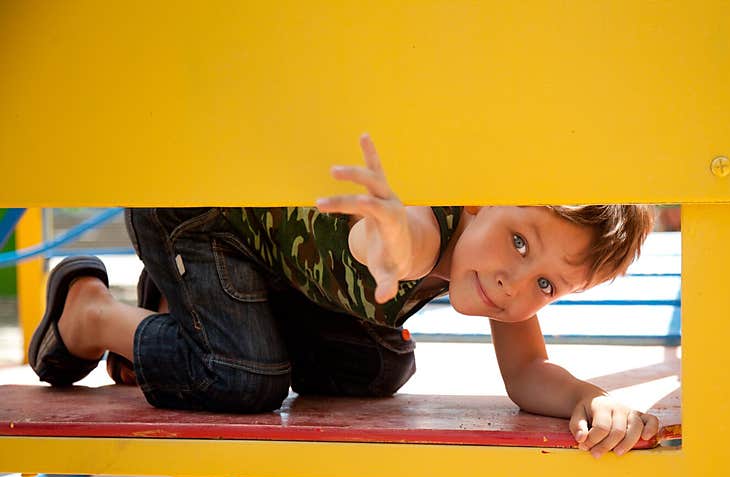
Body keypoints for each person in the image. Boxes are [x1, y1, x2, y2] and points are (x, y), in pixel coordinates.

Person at [28, 134, 659, 458]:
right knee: (246, 378)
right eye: (519, 243)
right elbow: (396, 243)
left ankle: (182, 311)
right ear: (480, 200)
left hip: (275, 270)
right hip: (202, 220)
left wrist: (588, 397)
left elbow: (525, 374)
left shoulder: (495, 272)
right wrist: (390, 241)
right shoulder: (422, 220)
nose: (513, 284)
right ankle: (91, 311)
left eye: (547, 284)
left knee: (381, 365)